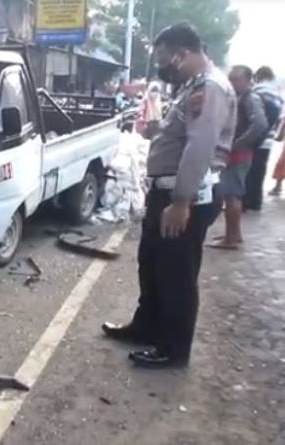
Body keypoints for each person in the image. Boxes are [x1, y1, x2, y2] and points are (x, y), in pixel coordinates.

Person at [102, 23, 236, 368]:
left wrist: (180, 202)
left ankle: (173, 349)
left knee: (176, 273)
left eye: (164, 60)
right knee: (151, 263)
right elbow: (179, 133)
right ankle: (146, 326)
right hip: (166, 193)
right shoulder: (191, 85)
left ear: (181, 54)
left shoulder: (210, 88)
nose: (163, 67)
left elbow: (200, 146)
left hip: (187, 196)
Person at [208, 66, 268, 249]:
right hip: (236, 152)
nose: (231, 82)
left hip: (237, 154)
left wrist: (237, 144)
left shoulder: (250, 98)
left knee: (231, 194)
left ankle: (231, 239)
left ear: (248, 80)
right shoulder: (241, 97)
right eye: (230, 78)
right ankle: (233, 234)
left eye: (235, 79)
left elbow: (260, 124)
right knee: (231, 194)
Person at [244, 66, 283, 210]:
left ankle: (246, 201)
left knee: (249, 170)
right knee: (260, 170)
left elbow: (253, 116)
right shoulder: (277, 94)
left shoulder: (257, 91)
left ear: (258, 77)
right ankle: (256, 202)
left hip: (254, 137)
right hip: (268, 139)